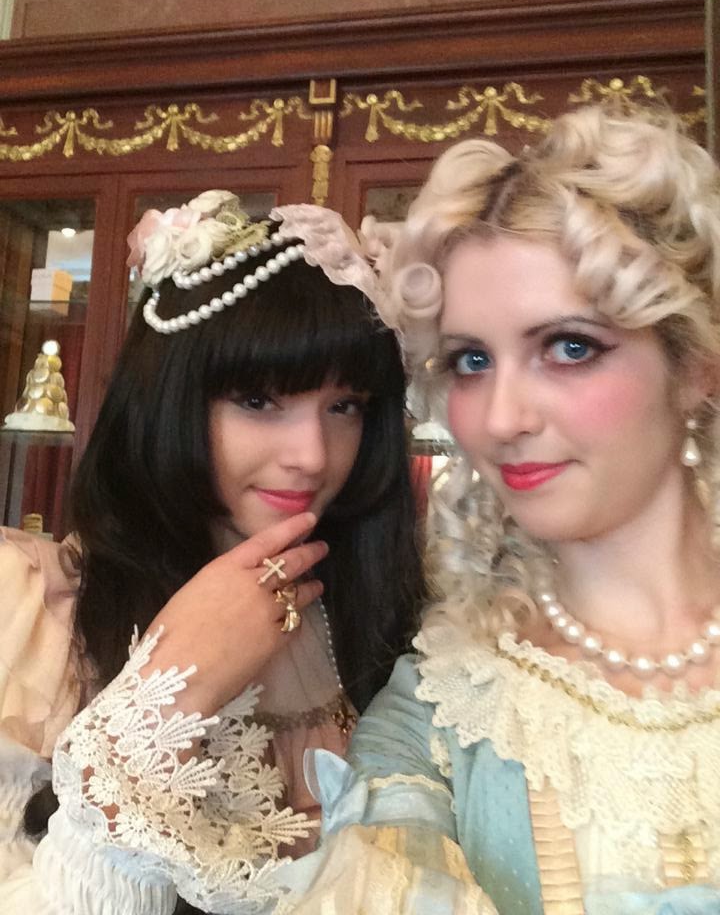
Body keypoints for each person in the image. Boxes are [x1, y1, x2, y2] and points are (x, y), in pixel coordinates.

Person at [268, 105, 720, 915]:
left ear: (695, 368)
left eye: (570, 347)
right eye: (472, 360)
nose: (503, 418)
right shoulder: (439, 716)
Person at [0, 193, 426, 913]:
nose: (312, 455)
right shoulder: (29, 608)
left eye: (344, 406)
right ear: (168, 399)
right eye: (259, 400)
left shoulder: (390, 610)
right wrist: (170, 687)